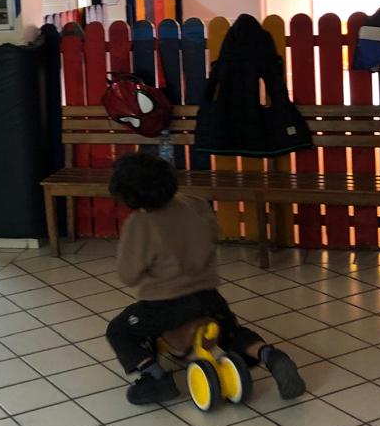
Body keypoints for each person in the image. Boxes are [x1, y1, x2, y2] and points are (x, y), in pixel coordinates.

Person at [105, 153, 306, 405]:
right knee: (230, 331)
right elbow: (214, 234)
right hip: (208, 298)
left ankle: (155, 379)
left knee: (120, 330)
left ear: (129, 196)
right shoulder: (194, 203)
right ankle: (270, 355)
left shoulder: (140, 224)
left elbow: (128, 274)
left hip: (163, 306)